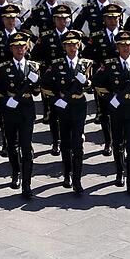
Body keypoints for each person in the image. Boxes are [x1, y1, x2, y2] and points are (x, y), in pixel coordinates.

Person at [92, 31, 130, 195]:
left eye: (127, 45)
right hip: (116, 108)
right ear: (117, 47)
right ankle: (119, 172)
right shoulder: (109, 65)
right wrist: (109, 98)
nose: (124, 48)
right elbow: (96, 82)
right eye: (121, 45)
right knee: (117, 143)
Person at [0, 33, 41, 198]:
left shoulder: (33, 67)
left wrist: (35, 83)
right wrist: (6, 100)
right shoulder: (4, 68)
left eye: (22, 46)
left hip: (26, 111)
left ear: (26, 48)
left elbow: (36, 92)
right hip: (10, 111)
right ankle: (15, 172)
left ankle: (27, 184)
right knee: (11, 145)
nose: (20, 49)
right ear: (11, 48)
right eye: (16, 46)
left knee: (26, 148)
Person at [41, 30, 92, 195]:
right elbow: (45, 85)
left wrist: (88, 82)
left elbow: (91, 87)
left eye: (74, 44)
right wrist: (56, 99)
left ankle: (77, 179)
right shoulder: (57, 65)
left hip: (79, 105)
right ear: (64, 46)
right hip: (63, 108)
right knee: (65, 143)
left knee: (78, 144)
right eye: (68, 44)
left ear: (79, 45)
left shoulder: (86, 64)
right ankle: (67, 173)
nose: (72, 47)